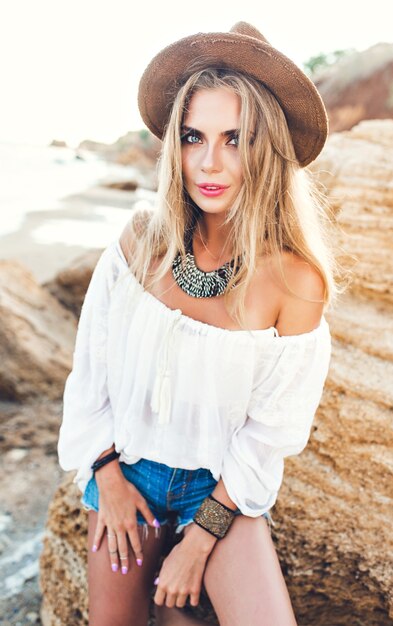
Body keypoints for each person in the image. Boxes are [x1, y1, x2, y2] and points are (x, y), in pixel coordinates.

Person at [57, 21, 343, 626]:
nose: (209, 163)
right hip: (125, 470)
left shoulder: (296, 283)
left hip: (217, 493)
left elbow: (269, 437)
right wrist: (105, 477)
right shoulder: (140, 243)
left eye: (234, 139)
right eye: (194, 137)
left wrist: (199, 540)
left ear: (265, 149)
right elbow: (91, 372)